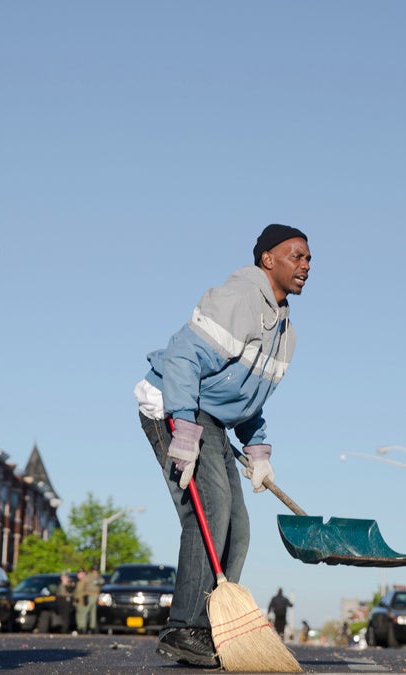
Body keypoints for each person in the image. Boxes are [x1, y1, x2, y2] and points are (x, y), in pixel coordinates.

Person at [136, 224, 311, 668]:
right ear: (267, 259)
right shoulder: (238, 299)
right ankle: (184, 627)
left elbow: (246, 398)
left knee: (239, 526)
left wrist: (259, 450)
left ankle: (214, 624)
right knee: (210, 511)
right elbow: (182, 357)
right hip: (173, 406)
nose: (305, 266)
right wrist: (185, 431)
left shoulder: (286, 332)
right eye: (296, 256)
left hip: (211, 418)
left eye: (309, 259)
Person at [74, 565, 102, 634]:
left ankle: (82, 627)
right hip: (94, 596)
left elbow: (81, 588)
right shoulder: (98, 577)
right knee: (92, 613)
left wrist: (81, 597)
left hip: (89, 596)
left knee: (85, 612)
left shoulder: (88, 577)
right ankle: (92, 627)